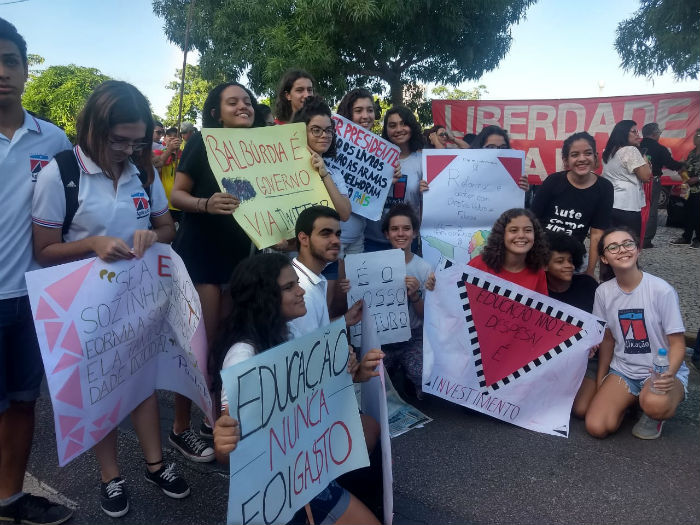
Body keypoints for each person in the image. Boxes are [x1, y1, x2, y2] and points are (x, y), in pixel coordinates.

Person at [31, 80, 189, 517]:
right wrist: (94, 244)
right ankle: (110, 476)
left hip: (136, 300)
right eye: (119, 139)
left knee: (139, 381)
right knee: (100, 388)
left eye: (137, 140)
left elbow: (167, 229)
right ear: (94, 129)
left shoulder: (143, 171)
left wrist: (151, 234)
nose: (128, 149)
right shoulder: (60, 173)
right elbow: (43, 250)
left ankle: (155, 465)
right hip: (84, 305)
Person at [209, 253, 381, 525]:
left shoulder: (287, 333)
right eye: (289, 287)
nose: (301, 291)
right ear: (262, 297)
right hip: (276, 486)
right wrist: (223, 441)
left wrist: (354, 375)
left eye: (297, 283)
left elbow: (311, 398)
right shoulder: (243, 356)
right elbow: (228, 453)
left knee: (368, 429)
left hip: (304, 464)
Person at [0, 18, 74, 525]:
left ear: (26, 71)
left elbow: (79, 211)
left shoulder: (55, 141)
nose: (1, 72)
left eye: (9, 61)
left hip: (34, 299)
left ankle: (8, 501)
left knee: (24, 404)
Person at [169, 81, 258, 462]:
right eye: (232, 101)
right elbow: (177, 195)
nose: (243, 106)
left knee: (224, 343)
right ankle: (179, 429)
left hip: (238, 259)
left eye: (248, 101)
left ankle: (213, 416)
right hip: (202, 256)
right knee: (199, 345)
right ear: (215, 112)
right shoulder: (202, 143)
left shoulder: (261, 148)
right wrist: (206, 203)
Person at [585, 227, 688, 440]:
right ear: (604, 258)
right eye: (613, 247)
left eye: (628, 244)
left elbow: (678, 344)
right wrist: (601, 381)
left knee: (654, 404)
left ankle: (651, 412)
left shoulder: (661, 290)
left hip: (660, 370)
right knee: (597, 426)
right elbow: (607, 339)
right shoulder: (603, 292)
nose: (622, 250)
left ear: (638, 250)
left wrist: (669, 374)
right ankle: (631, 400)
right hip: (624, 370)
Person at [350, 203, 435, 399]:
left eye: (406, 228)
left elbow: (427, 316)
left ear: (414, 233)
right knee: (370, 379)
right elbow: (359, 305)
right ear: (386, 234)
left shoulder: (423, 268)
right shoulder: (368, 267)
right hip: (383, 340)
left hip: (413, 337)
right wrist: (349, 289)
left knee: (421, 373)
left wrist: (415, 296)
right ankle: (393, 372)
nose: (400, 234)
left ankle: (409, 377)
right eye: (394, 229)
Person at [531, 131, 613, 276]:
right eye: (575, 155)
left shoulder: (605, 188)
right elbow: (531, 221)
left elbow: (596, 234)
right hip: (541, 253)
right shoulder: (553, 181)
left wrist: (590, 272)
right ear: (566, 160)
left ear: (595, 156)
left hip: (572, 257)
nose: (582, 159)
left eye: (588, 153)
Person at [544, 232, 599, 418]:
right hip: (551, 362)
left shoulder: (588, 286)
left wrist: (595, 341)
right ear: (544, 265)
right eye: (560, 261)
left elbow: (604, 325)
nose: (568, 266)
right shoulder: (537, 290)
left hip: (587, 361)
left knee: (581, 409)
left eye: (570, 260)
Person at [363, 106, 428, 253]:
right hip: (372, 240)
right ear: (386, 130)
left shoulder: (422, 161)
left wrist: (428, 192)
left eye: (403, 123)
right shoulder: (372, 158)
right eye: (392, 125)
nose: (398, 129)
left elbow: (428, 206)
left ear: (411, 126)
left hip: (405, 241)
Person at [469, 208, 549, 295]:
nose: (521, 235)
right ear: (502, 234)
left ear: (535, 235)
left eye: (528, 230)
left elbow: (539, 308)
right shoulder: (478, 265)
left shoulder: (538, 272)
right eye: (514, 230)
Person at [601, 120, 652, 238]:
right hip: (627, 205)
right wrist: (643, 157)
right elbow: (646, 176)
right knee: (629, 242)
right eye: (634, 131)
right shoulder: (630, 150)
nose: (638, 135)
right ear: (623, 133)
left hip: (610, 203)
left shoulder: (608, 152)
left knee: (611, 241)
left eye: (637, 132)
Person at [639, 122, 685, 248]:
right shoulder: (660, 149)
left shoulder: (636, 147)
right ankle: (646, 240)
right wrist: (683, 165)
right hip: (653, 181)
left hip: (636, 181)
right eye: (659, 133)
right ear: (655, 134)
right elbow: (671, 164)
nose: (659, 135)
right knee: (651, 210)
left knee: (636, 208)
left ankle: (634, 236)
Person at [471, 125, 529, 191]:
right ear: (479, 147)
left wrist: (522, 190)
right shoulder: (466, 171)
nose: (498, 152)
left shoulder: (513, 174)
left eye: (503, 147)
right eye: (491, 147)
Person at [670, 128, 700, 248]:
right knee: (687, 212)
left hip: (698, 188)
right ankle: (686, 236)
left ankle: (698, 239)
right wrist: (682, 170)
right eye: (695, 135)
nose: (695, 137)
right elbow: (686, 166)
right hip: (687, 187)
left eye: (698, 135)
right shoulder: (692, 152)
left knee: (698, 213)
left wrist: (698, 179)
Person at [153, 126, 183, 225]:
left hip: (181, 204)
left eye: (175, 136)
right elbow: (158, 163)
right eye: (169, 136)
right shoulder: (158, 153)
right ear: (164, 139)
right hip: (164, 204)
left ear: (181, 140)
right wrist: (170, 149)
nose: (172, 138)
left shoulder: (185, 155)